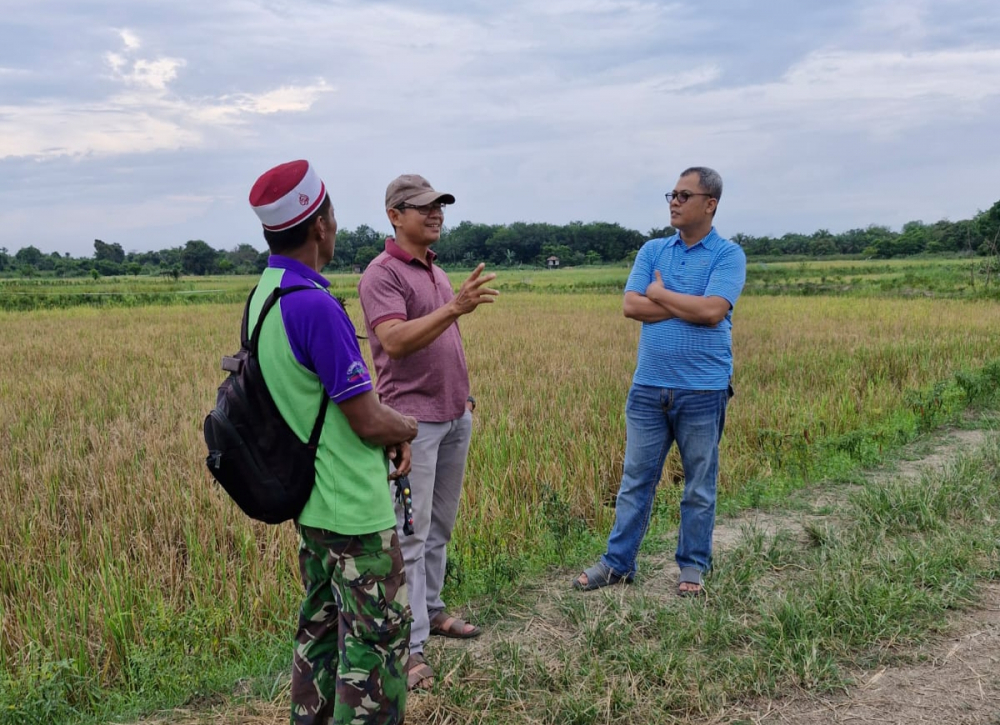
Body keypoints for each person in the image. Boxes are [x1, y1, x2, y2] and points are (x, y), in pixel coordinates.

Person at [247, 160, 419, 725]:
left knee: (320, 629)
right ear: (320, 226)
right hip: (353, 507)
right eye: (334, 215)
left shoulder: (265, 296)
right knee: (377, 643)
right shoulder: (316, 305)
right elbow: (367, 419)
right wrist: (407, 428)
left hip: (311, 503)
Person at [574, 166, 746, 597]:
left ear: (710, 204)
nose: (674, 201)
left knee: (699, 485)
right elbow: (632, 307)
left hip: (704, 389)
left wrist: (661, 295)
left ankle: (692, 568)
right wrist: (688, 303)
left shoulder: (728, 255)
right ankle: (617, 564)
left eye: (685, 195)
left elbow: (712, 313)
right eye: (672, 194)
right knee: (635, 480)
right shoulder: (652, 250)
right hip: (649, 387)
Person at [357, 174, 498, 691]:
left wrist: (464, 398)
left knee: (439, 526)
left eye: (439, 205)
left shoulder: (434, 270)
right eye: (423, 207)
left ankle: (433, 610)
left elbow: (441, 340)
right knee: (410, 537)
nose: (435, 214)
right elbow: (393, 342)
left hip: (454, 414)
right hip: (411, 425)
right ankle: (410, 645)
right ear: (395, 215)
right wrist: (455, 307)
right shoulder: (382, 274)